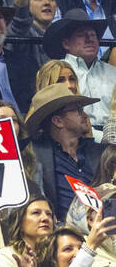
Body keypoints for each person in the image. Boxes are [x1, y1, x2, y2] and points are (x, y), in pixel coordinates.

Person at [25, 84, 104, 218]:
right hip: (64, 232)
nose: (85, 115)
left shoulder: (99, 152)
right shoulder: (37, 155)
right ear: (58, 121)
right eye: (78, 110)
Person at [45, 10, 114, 135]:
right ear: (66, 43)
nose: (90, 39)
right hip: (73, 137)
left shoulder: (113, 73)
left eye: (93, 35)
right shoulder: (57, 72)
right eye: (82, 35)